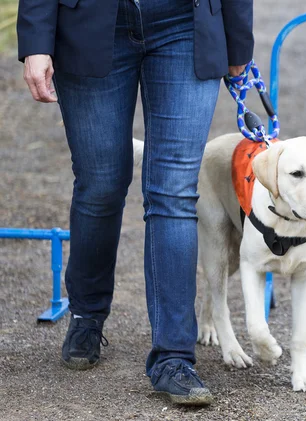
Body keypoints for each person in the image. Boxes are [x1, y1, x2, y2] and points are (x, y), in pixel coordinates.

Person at [17, 0, 253, 406]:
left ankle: (174, 358)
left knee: (175, 193)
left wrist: (237, 38)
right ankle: (87, 315)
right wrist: (36, 40)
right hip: (89, 22)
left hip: (187, 23)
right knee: (100, 185)